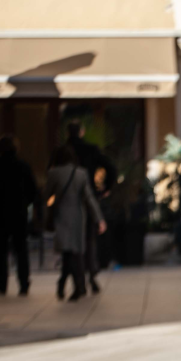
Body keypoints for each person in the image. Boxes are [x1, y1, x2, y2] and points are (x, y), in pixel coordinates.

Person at [44, 145, 106, 302]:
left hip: (62, 216)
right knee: (74, 252)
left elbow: (46, 195)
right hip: (79, 217)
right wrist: (99, 219)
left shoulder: (53, 173)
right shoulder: (81, 173)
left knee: (68, 252)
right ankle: (72, 285)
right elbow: (89, 198)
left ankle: (72, 285)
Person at [0, 136, 37, 296]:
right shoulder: (23, 166)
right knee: (21, 249)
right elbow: (32, 190)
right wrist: (25, 203)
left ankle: (2, 283)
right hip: (18, 213)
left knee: (0, 250)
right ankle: (24, 283)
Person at [66, 123, 115, 293]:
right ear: (82, 132)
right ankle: (91, 276)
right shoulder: (90, 150)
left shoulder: (63, 151)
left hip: (68, 201)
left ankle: (77, 280)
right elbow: (110, 167)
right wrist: (106, 188)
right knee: (89, 239)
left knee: (71, 243)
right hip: (88, 197)